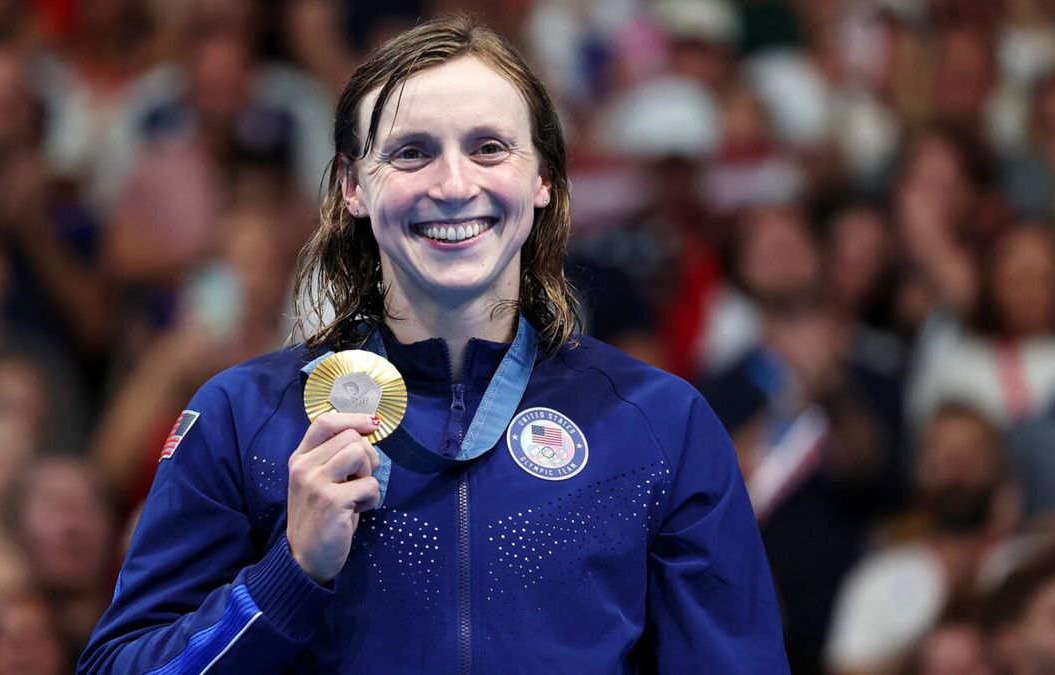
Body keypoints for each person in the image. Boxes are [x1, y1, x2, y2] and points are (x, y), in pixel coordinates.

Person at [79, 16, 787, 673]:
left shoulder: (658, 425)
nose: (453, 184)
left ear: (542, 179)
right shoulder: (247, 416)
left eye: (488, 147)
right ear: (353, 185)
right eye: (412, 152)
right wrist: (290, 573)